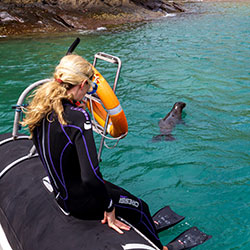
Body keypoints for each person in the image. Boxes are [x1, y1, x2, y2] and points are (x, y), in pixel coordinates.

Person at [21, 54, 168, 250]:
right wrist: (109, 207)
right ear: (82, 84)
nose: (88, 92)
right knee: (140, 207)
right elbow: (90, 177)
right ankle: (160, 247)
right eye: (89, 87)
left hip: (62, 194)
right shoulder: (77, 118)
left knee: (120, 192)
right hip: (81, 202)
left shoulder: (41, 106)